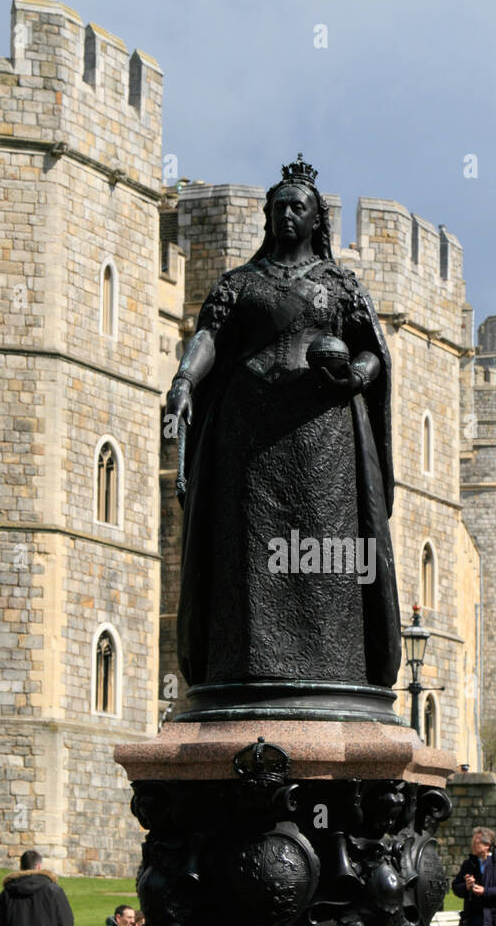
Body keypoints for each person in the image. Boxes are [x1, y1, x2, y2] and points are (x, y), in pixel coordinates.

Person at [166, 155, 401, 704]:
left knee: (323, 556)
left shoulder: (340, 286)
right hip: (246, 436)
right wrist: (183, 380)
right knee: (245, 554)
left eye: (297, 207)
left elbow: (374, 353)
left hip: (324, 440)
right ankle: (243, 668)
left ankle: (331, 669)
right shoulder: (240, 284)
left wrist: (355, 374)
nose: (286, 215)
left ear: (316, 219)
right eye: (277, 208)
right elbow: (209, 339)